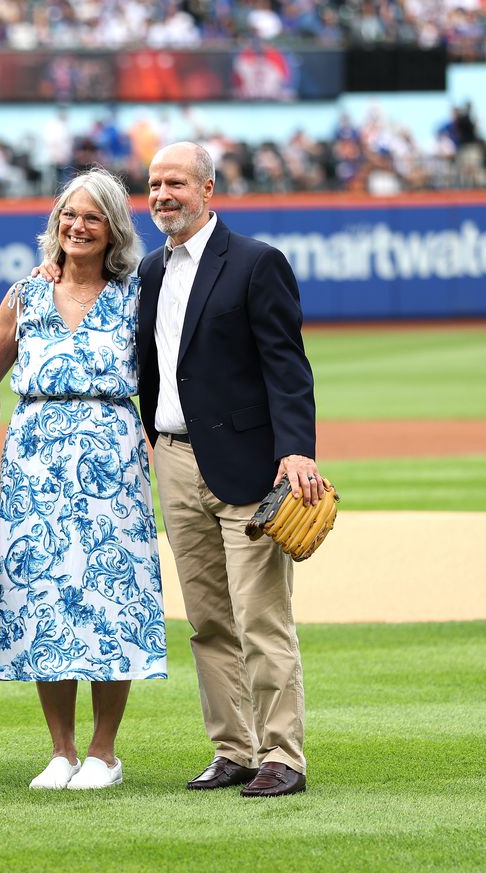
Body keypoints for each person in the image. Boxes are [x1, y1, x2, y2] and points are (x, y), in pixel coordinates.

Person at [140, 142, 320, 797]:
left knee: (261, 616)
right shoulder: (150, 271)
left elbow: (286, 364)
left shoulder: (255, 261)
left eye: (176, 183)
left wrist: (295, 449)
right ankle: (234, 749)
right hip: (174, 460)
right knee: (209, 620)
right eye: (154, 184)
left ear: (208, 189)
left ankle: (283, 754)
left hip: (249, 465)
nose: (163, 195)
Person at [0, 167, 167, 791]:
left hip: (112, 460)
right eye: (69, 215)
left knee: (114, 597)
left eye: (92, 217)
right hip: (34, 462)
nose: (78, 227)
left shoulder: (136, 295)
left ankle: (103, 753)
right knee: (42, 597)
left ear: (114, 229)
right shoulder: (26, 295)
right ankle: (61, 751)